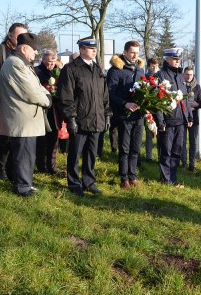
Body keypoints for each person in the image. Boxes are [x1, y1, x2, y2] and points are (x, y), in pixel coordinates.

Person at [0, 33, 51, 197]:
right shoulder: (15, 64)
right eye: (34, 50)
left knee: (24, 153)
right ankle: (22, 187)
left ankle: (22, 182)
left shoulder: (22, 63)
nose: (36, 53)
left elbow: (37, 87)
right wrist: (48, 100)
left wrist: (45, 94)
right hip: (23, 119)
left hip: (26, 119)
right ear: (25, 48)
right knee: (24, 154)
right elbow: (31, 92)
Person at [60, 37, 111, 196]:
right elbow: (66, 96)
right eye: (90, 48)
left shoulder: (97, 69)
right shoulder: (71, 69)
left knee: (91, 153)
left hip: (97, 119)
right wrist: (71, 118)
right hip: (80, 119)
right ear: (81, 50)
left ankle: (89, 181)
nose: (94, 50)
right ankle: (74, 184)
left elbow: (104, 95)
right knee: (75, 154)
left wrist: (107, 115)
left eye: (95, 48)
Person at [0, 23, 29, 181]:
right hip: (2, 100)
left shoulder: (24, 53)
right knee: (4, 136)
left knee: (17, 135)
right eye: (19, 36)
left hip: (19, 101)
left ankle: (14, 166)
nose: (22, 39)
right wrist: (11, 81)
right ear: (10, 35)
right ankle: (1, 168)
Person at [107, 41, 146, 189]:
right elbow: (110, 93)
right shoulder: (116, 70)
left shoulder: (140, 69)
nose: (135, 55)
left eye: (137, 52)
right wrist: (125, 104)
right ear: (125, 52)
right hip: (123, 115)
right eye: (132, 52)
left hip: (139, 115)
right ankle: (123, 178)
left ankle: (133, 175)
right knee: (124, 148)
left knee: (135, 148)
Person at [155, 48, 193, 186]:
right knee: (166, 151)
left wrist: (189, 117)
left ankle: (173, 179)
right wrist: (160, 121)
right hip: (168, 121)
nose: (177, 62)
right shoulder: (161, 75)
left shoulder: (180, 76)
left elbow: (185, 99)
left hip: (180, 121)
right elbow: (157, 101)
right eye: (175, 59)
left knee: (177, 151)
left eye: (178, 59)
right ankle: (165, 180)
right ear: (167, 59)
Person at [35, 49, 62, 174]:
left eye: (53, 62)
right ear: (43, 60)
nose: (51, 65)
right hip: (42, 110)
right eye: (49, 62)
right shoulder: (37, 71)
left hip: (55, 109)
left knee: (54, 138)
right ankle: (41, 166)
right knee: (41, 139)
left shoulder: (58, 72)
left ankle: (52, 165)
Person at [181, 66, 201, 171]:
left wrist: (196, 104)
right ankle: (183, 163)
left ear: (193, 75)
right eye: (186, 74)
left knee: (193, 141)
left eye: (190, 74)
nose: (188, 76)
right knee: (182, 141)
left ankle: (192, 164)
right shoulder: (180, 85)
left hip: (194, 117)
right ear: (183, 74)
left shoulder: (197, 87)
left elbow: (200, 101)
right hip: (181, 116)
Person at [143, 57, 160, 163]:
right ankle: (148, 156)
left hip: (160, 109)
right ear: (148, 66)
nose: (154, 68)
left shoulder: (161, 76)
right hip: (149, 109)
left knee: (160, 135)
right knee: (149, 133)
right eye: (152, 66)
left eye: (156, 66)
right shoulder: (145, 77)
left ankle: (160, 156)